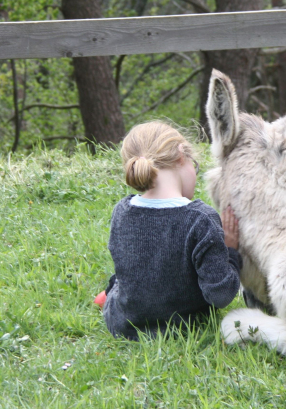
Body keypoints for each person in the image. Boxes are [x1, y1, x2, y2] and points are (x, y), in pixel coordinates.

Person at [95, 120, 242, 340]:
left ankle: (108, 294)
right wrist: (230, 250)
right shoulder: (200, 219)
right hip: (184, 329)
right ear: (182, 155)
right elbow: (219, 295)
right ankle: (110, 292)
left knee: (123, 279)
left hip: (124, 325)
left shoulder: (122, 211)